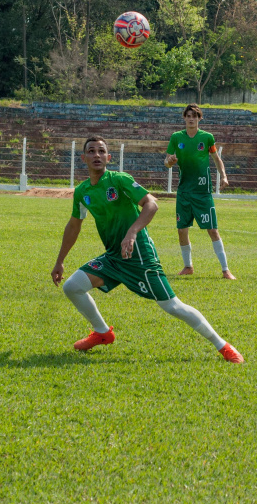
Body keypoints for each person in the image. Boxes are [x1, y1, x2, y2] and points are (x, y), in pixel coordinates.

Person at [52, 136, 244, 363]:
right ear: (83, 158)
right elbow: (74, 225)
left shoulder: (120, 180)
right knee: (72, 287)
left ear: (109, 158)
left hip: (139, 255)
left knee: (173, 306)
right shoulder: (82, 191)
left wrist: (132, 232)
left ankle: (224, 346)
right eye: (91, 151)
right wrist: (60, 260)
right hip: (114, 257)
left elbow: (151, 203)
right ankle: (103, 333)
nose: (97, 155)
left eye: (101, 151)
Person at [164, 104, 236, 279]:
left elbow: (216, 159)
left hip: (203, 193)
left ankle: (226, 270)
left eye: (194, 116)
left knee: (212, 230)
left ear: (199, 119)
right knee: (182, 230)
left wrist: (224, 176)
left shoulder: (207, 138)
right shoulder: (176, 137)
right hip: (184, 192)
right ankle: (188, 266)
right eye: (188, 116)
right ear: (184, 118)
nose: (191, 119)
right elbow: (166, 161)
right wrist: (170, 162)